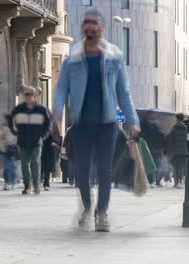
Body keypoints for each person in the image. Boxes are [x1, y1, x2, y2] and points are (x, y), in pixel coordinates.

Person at [53, 10, 140, 232]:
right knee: (81, 171)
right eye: (87, 23)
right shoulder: (72, 59)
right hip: (81, 124)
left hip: (106, 124)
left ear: (101, 28)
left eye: (94, 24)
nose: (90, 27)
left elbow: (124, 91)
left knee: (104, 171)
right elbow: (62, 88)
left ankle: (101, 213)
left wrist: (132, 120)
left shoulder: (113, 57)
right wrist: (57, 112)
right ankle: (86, 207)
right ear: (83, 28)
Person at [9, 86, 50, 195]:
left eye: (29, 94)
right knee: (24, 164)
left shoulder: (41, 109)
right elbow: (10, 120)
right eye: (25, 94)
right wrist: (14, 131)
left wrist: (44, 135)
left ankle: (36, 185)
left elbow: (47, 124)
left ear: (34, 95)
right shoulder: (19, 108)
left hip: (36, 140)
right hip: (22, 140)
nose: (27, 96)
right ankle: (27, 186)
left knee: (35, 162)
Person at [139, 113, 166, 186]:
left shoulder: (145, 128)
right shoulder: (158, 132)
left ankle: (151, 180)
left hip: (150, 149)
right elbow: (163, 142)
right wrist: (162, 149)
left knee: (150, 165)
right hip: (156, 150)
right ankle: (155, 180)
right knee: (157, 166)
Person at [166, 113, 188, 188]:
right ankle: (181, 180)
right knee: (181, 167)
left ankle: (176, 181)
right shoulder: (186, 129)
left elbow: (170, 142)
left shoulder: (173, 129)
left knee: (175, 167)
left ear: (177, 119)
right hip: (184, 152)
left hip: (175, 152)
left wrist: (170, 152)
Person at [41, 117, 61, 191]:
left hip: (50, 148)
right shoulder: (41, 123)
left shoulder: (53, 124)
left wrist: (56, 143)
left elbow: (58, 136)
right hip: (41, 147)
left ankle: (46, 184)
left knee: (47, 167)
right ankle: (39, 181)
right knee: (40, 165)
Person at [0, 114, 18, 190]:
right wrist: (2, 146)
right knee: (6, 167)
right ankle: (6, 182)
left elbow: (17, 139)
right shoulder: (4, 129)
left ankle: (13, 181)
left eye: (6, 120)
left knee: (13, 166)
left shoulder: (15, 128)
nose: (5, 121)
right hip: (5, 149)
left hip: (13, 149)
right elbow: (1, 139)